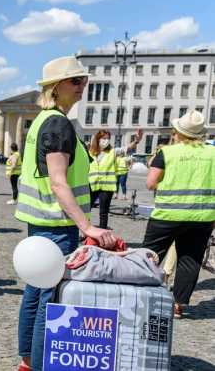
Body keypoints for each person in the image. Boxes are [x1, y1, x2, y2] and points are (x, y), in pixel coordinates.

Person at [15, 56, 118, 371]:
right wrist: (89, 227)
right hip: (56, 225)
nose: (82, 86)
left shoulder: (44, 120)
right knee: (51, 300)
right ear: (55, 87)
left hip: (42, 222)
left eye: (83, 80)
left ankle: (28, 361)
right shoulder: (58, 123)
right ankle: (37, 364)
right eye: (75, 81)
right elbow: (59, 182)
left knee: (36, 292)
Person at [141, 110, 215, 319]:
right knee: (190, 260)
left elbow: (151, 183)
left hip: (167, 215)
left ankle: (141, 296)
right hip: (201, 217)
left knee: (149, 256)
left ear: (178, 131)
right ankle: (178, 306)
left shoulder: (168, 153)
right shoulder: (212, 153)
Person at [88, 129, 142, 229]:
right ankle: (85, 231)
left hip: (107, 187)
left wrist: (136, 141)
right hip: (92, 185)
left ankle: (102, 234)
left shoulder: (113, 151)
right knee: (85, 210)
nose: (106, 141)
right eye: (104, 138)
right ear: (98, 139)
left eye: (108, 139)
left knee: (103, 212)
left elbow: (126, 149)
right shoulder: (90, 152)